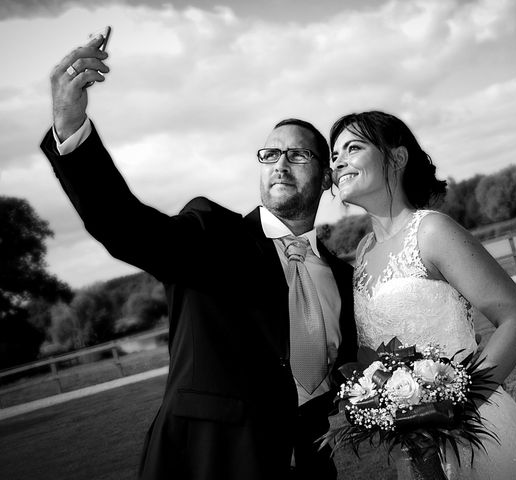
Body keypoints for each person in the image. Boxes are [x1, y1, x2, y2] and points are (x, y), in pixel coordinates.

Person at [40, 35, 357, 480]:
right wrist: (71, 126)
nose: (280, 163)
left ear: (326, 178)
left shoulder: (344, 277)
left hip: (307, 466)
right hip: (204, 461)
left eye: (299, 154)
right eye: (270, 153)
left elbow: (341, 375)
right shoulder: (212, 233)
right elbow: (126, 227)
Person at [329, 110, 516, 479]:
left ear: (397, 158)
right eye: (335, 155)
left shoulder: (432, 230)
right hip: (411, 445)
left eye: (353, 148)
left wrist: (453, 413)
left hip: (472, 432)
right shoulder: (364, 250)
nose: (338, 162)